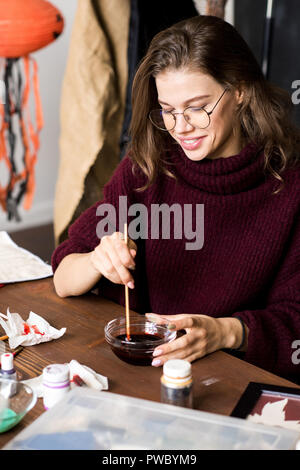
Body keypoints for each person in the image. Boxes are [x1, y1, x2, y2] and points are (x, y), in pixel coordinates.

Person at [52, 15, 300, 383]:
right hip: (141, 372)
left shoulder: (289, 186)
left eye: (197, 107)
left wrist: (225, 332)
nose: (180, 127)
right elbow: (62, 277)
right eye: (167, 110)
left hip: (235, 380)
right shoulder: (149, 165)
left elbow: (294, 323)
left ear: (240, 91)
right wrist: (96, 261)